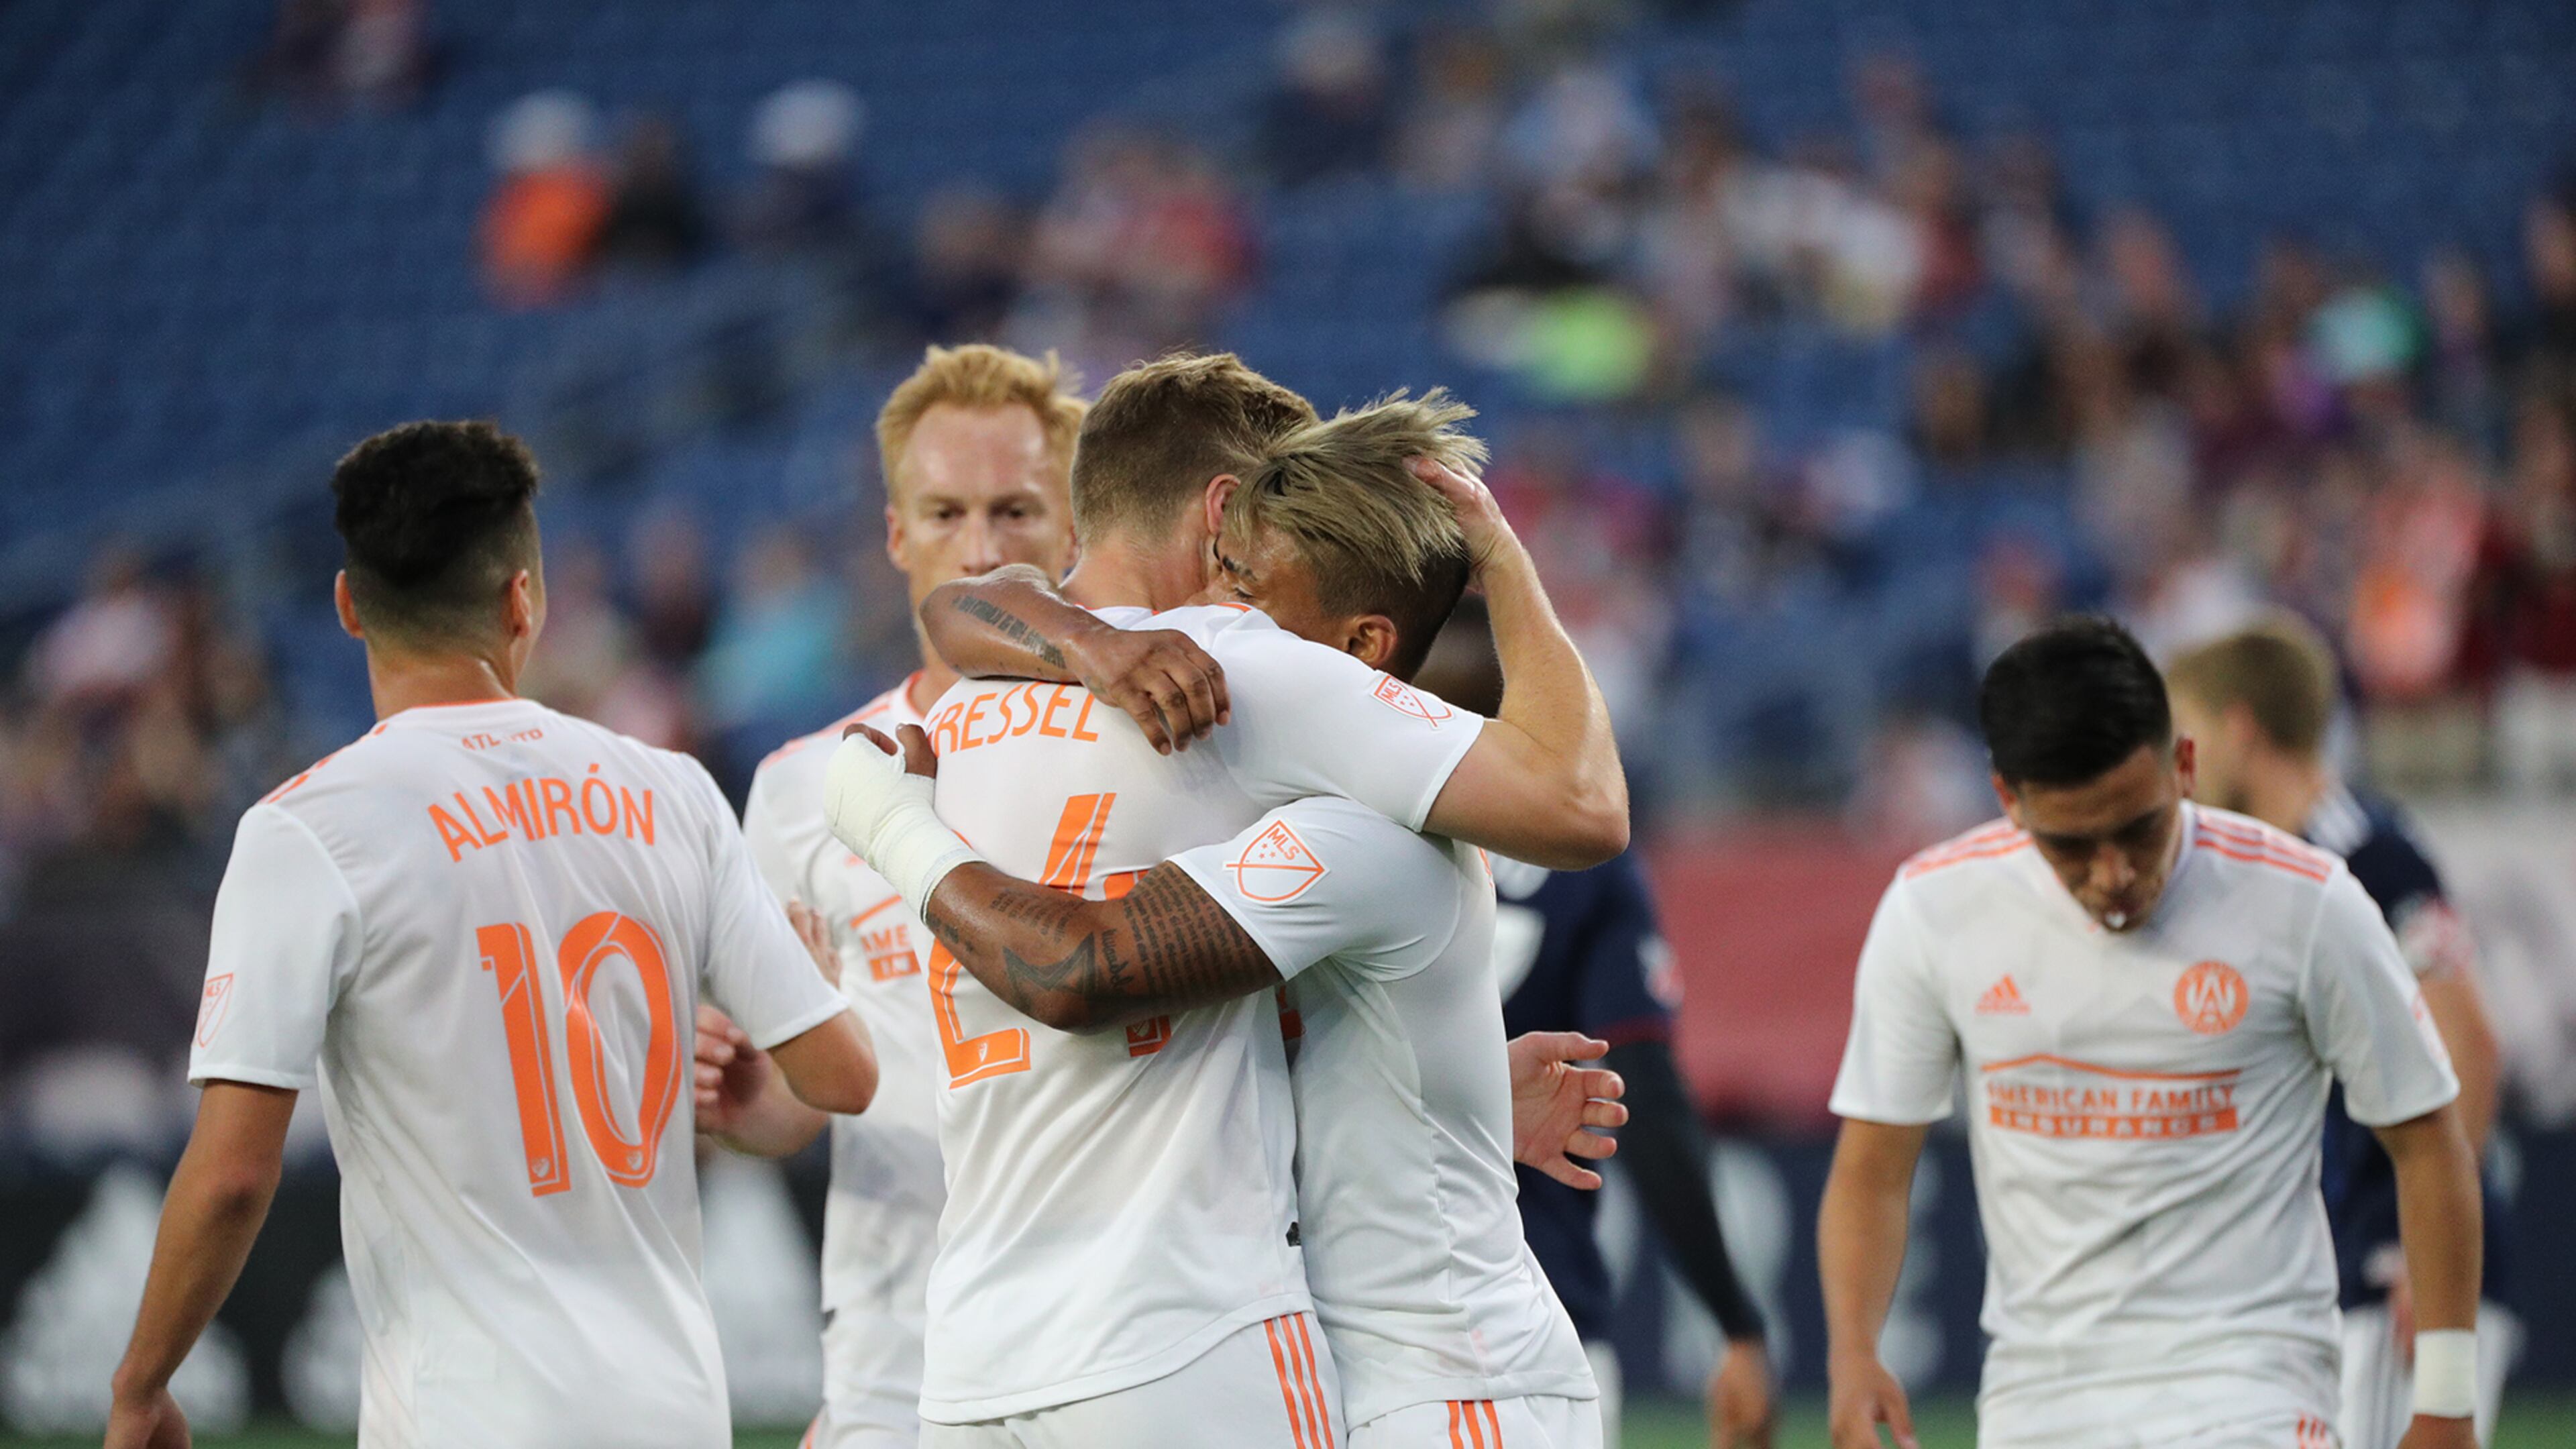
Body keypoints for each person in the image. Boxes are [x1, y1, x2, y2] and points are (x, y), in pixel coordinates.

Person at [837, 354, 1630, 1448]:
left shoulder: (958, 708)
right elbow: (1582, 804)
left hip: (978, 1351)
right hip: (1198, 1344)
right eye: (1279, 499)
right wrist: (1502, 557)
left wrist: (889, 807)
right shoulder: (1263, 681)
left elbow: (958, 604)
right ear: (1224, 512)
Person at [103, 421, 879, 1449]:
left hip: (469, 1416)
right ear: (525, 600)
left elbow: (236, 1173)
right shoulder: (674, 791)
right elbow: (842, 1078)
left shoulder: (308, 830)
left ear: (346, 607)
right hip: (679, 1412)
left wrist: (142, 1385)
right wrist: (775, 1063)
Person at [1819, 616, 2482, 1449]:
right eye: (2072, 845)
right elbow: (1874, 1169)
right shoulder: (1934, 912)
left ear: (2186, 766)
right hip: (2040, 1400)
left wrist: (2449, 1400)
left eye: (2140, 829)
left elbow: (2427, 1136)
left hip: (2258, 1391)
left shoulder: (2308, 902)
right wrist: (1852, 1355)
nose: (2114, 875)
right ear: (2008, 801)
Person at [698, 344, 1087, 1449]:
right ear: (895, 535)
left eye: (1016, 510)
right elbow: (803, 1095)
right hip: (898, 1361)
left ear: (1075, 525)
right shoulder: (796, 791)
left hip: (1115, 1349)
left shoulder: (1157, 756)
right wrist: (751, 1108)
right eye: (946, 511)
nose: (982, 549)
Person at [1413, 598, 1777, 1449]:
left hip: (1343, 1311)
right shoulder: (1584, 860)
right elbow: (1640, 1094)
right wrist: (1736, 1321)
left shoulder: (1315, 834)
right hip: (1534, 1312)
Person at [2167, 619, 2516, 1448]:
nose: (2179, 761)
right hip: (2327, 1267)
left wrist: (2412, 1251)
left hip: (2387, 1262)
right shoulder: (2275, 866)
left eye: (2188, 730)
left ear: (2240, 730)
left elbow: (2468, 1044)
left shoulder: (2369, 855)